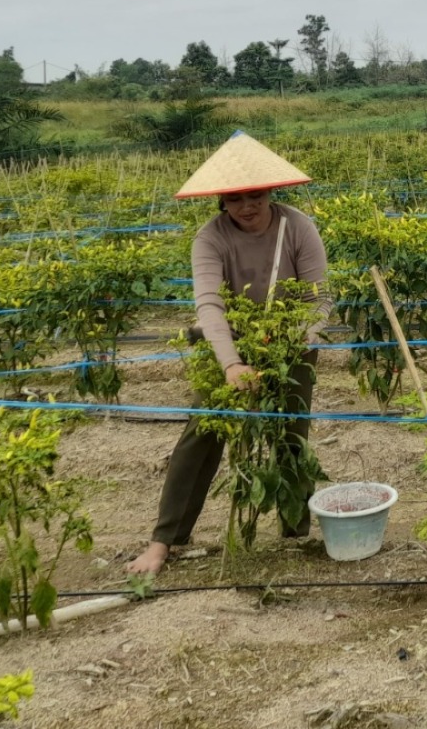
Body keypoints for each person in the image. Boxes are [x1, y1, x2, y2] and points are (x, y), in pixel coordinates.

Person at [127, 132, 332, 575]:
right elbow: (209, 306)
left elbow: (318, 299)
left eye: (255, 195)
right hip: (227, 343)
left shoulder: (297, 226)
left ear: (270, 192)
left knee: (289, 433)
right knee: (203, 432)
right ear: (221, 200)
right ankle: (166, 540)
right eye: (235, 198)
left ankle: (295, 534)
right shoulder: (210, 238)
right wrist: (232, 363)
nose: (247, 206)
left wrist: (292, 339)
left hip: (290, 342)